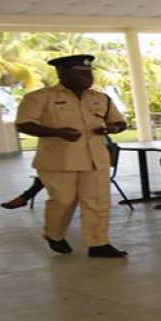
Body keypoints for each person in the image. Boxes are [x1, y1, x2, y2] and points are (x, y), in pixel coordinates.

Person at [14, 54, 127, 257]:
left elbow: (120, 123)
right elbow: (24, 124)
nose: (88, 77)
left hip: (95, 159)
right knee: (63, 200)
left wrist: (112, 128)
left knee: (97, 202)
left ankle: (98, 243)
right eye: (81, 73)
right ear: (62, 73)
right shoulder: (40, 97)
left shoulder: (101, 98)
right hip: (59, 160)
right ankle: (54, 234)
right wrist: (57, 132)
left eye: (89, 72)